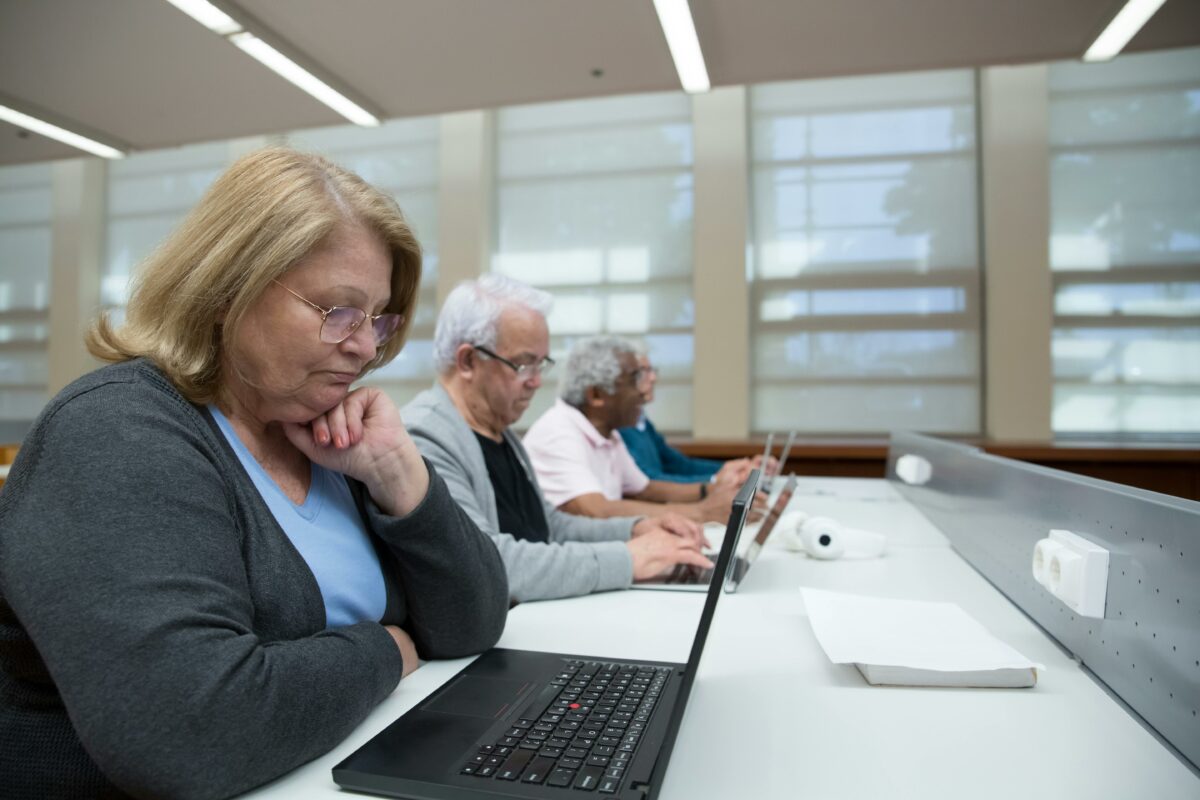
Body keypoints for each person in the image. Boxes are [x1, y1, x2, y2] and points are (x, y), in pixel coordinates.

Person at [0, 148, 508, 800]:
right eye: (338, 311)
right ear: (225, 290)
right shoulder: (114, 432)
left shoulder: (328, 434)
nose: (365, 346)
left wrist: (398, 475)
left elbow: (473, 621)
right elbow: (186, 734)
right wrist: (386, 651)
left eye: (378, 319)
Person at [402, 275, 713, 603]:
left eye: (541, 364)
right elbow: (489, 561)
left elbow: (549, 526)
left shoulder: (501, 433)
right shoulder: (425, 438)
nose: (536, 382)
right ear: (468, 361)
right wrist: (628, 558)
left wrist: (634, 529)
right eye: (523, 364)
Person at [523, 336, 746, 522]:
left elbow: (645, 488)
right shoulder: (557, 433)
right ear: (597, 395)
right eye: (634, 380)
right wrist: (702, 512)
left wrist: (711, 490)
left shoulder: (608, 433)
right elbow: (595, 510)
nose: (642, 391)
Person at [618, 349, 759, 485]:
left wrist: (736, 468)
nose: (653, 378)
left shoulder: (642, 422)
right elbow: (647, 483)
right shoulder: (619, 426)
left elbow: (679, 465)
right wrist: (715, 480)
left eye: (651, 370)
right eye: (644, 371)